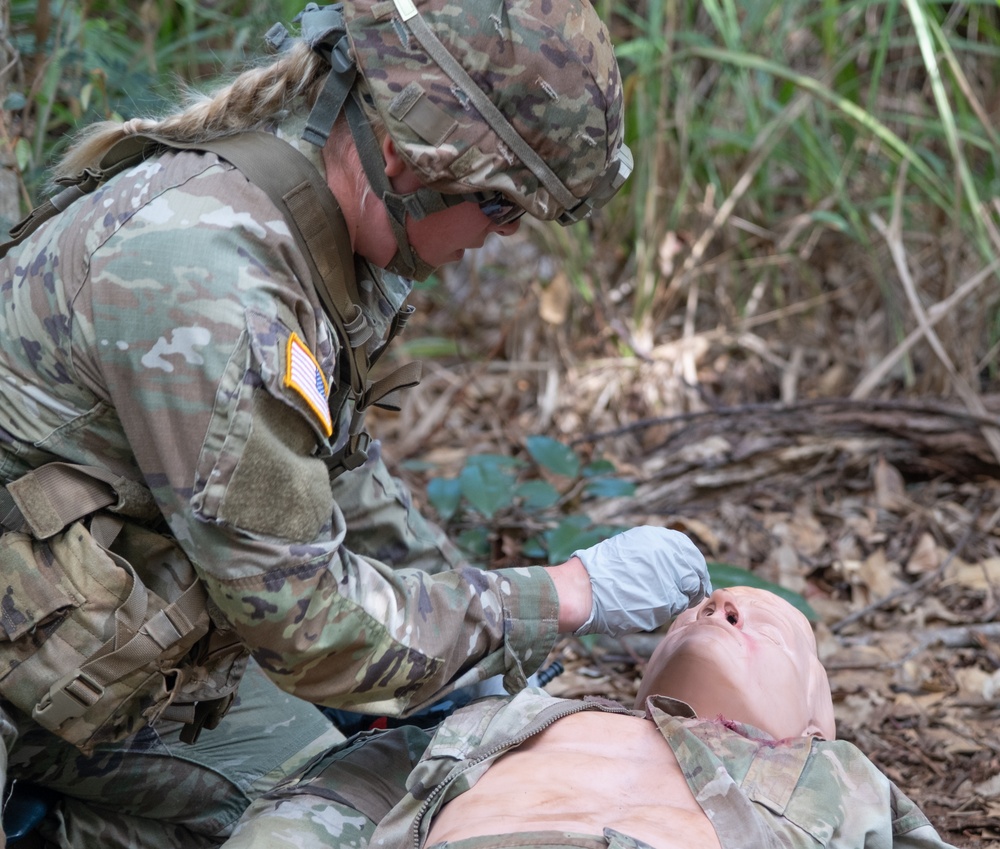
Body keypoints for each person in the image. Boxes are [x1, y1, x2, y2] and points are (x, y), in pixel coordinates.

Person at [0, 1, 711, 847]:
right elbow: (310, 627)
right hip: (32, 661)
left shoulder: (310, 230)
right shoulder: (212, 281)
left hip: (87, 645)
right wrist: (562, 595)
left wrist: (491, 673)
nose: (496, 240)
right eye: (502, 209)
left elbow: (342, 478)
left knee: (343, 798)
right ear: (415, 162)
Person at [230, 586, 957, 849]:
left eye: (760, 618)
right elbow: (327, 801)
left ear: (816, 711)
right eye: (699, 608)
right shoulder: (508, 719)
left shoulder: (832, 772)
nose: (719, 606)